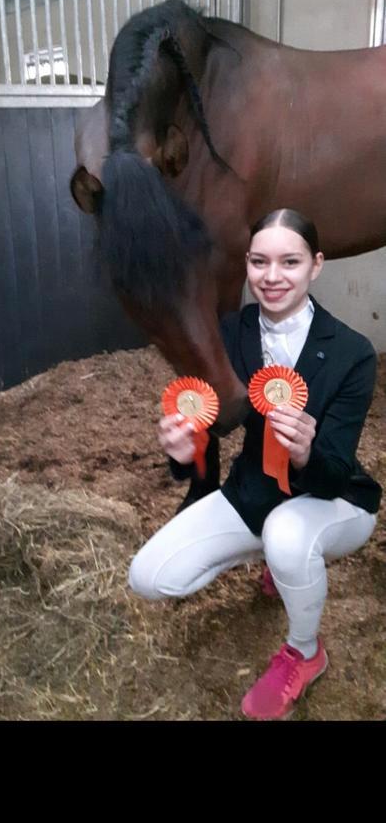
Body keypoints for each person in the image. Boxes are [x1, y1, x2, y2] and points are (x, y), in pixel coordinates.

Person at [128, 209, 382, 720]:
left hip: (334, 500)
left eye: (290, 262)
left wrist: (307, 452)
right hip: (254, 493)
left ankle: (305, 652)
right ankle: (275, 559)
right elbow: (212, 428)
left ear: (317, 265)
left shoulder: (354, 352)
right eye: (260, 262)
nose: (272, 277)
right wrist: (187, 452)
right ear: (246, 264)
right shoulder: (231, 332)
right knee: (148, 577)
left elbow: (333, 471)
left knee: (289, 532)